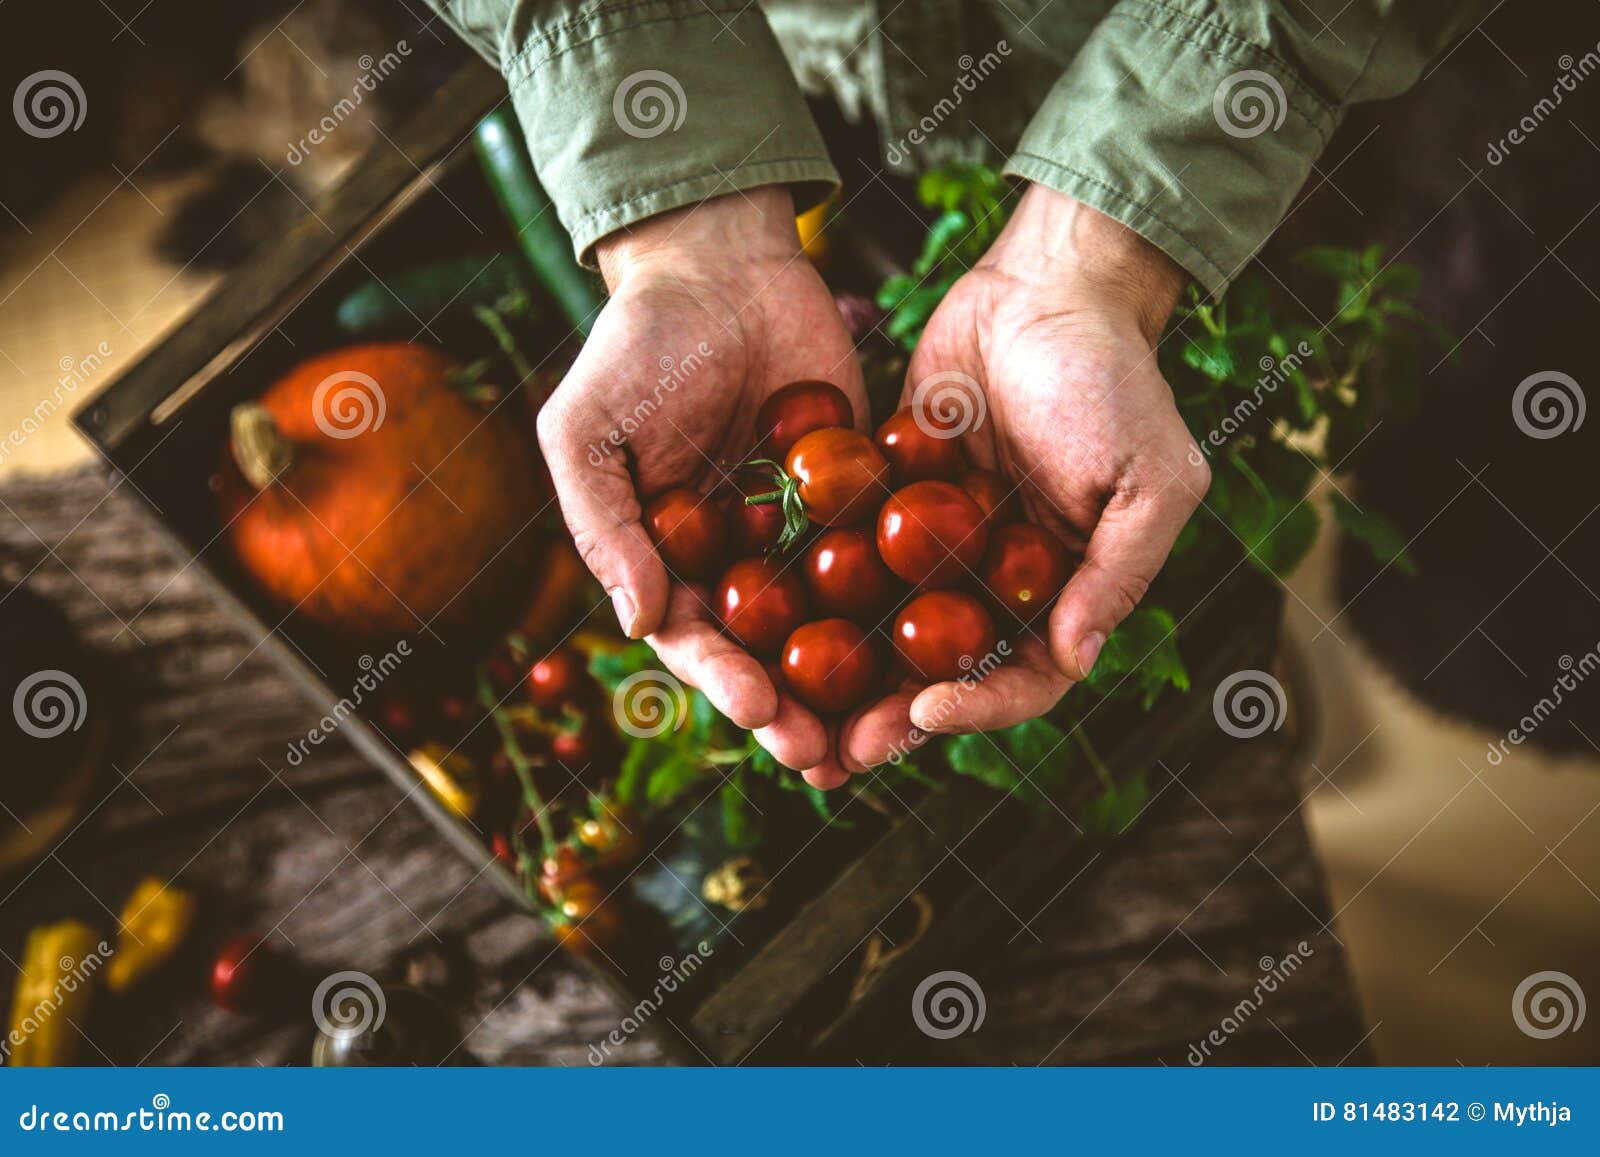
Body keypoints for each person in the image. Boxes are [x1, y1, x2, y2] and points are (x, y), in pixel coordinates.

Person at [424, 0, 1486, 787]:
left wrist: (1105, 251)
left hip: (1317, 94)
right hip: (787, 74)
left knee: (1484, 599)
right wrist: (676, 218)